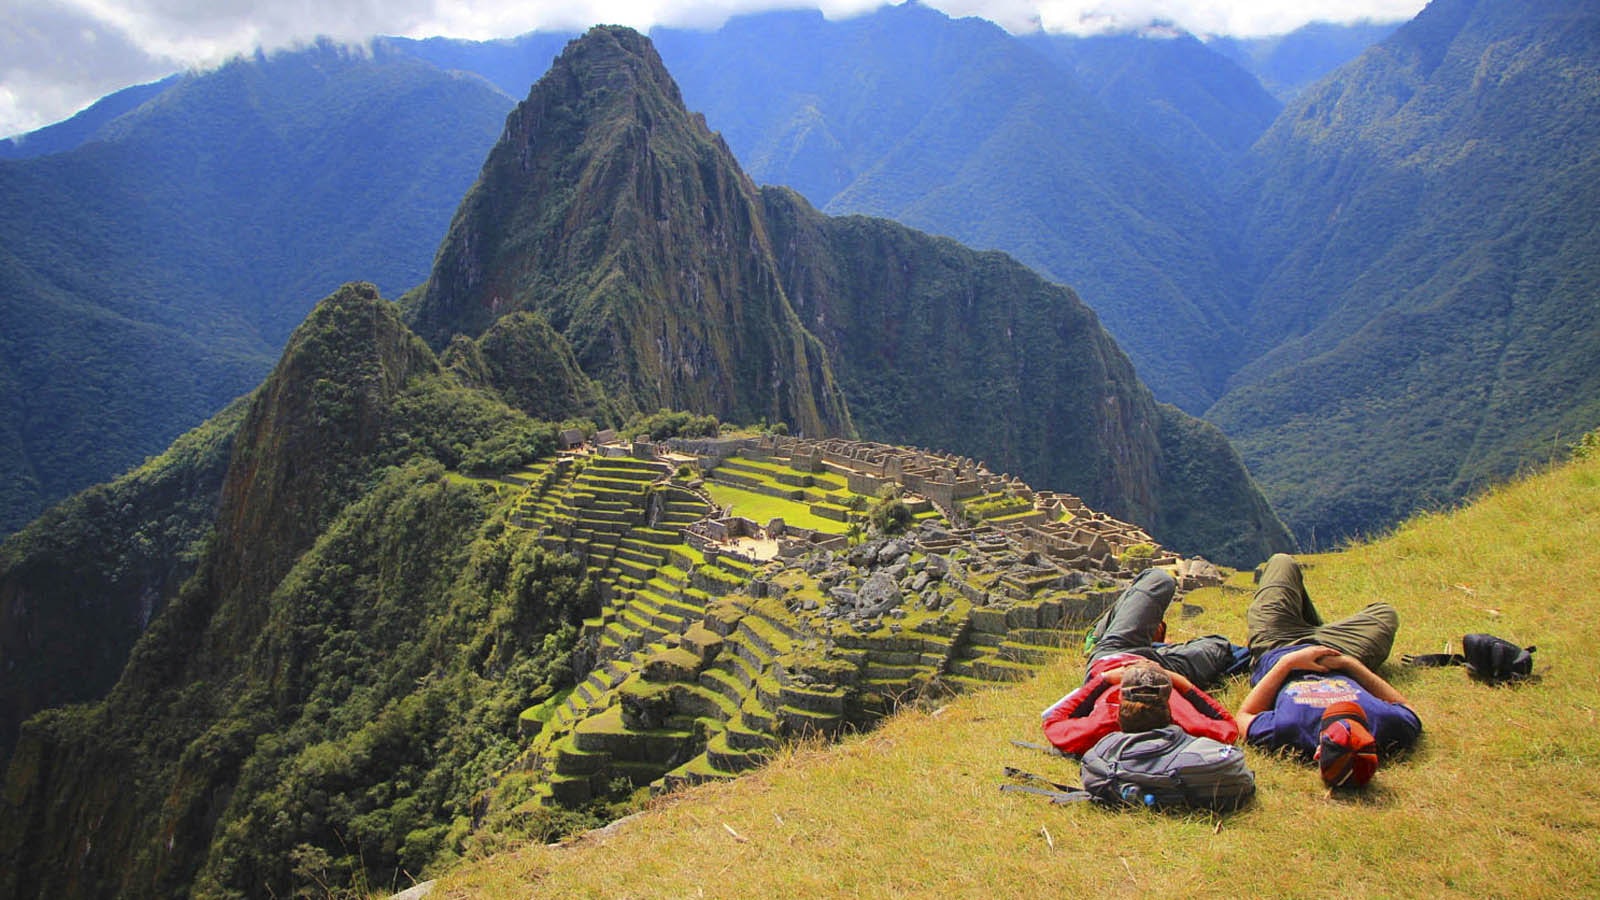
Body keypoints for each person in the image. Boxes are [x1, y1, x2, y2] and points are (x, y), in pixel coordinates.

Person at [1236, 554, 1422, 787]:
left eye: (1335, 723)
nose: (1343, 714)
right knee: (1385, 614)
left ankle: (1305, 624)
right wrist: (1349, 664)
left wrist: (1289, 663)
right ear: (1372, 742)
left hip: (1278, 645)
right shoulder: (1388, 724)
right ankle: (1314, 626)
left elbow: (1244, 716)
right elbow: (1406, 707)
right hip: (1341, 652)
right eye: (1354, 721)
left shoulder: (1290, 729)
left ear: (1318, 751)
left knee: (1282, 562)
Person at [1042, 567, 1240, 756]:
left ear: (1119, 707)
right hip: (1167, 671)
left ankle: (1099, 636)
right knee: (1219, 645)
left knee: (1159, 579)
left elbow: (1053, 722)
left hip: (1116, 653)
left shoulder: (1104, 721)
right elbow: (1229, 727)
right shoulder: (1183, 718)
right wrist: (1180, 682)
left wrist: (1104, 679)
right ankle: (1163, 649)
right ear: (1169, 711)